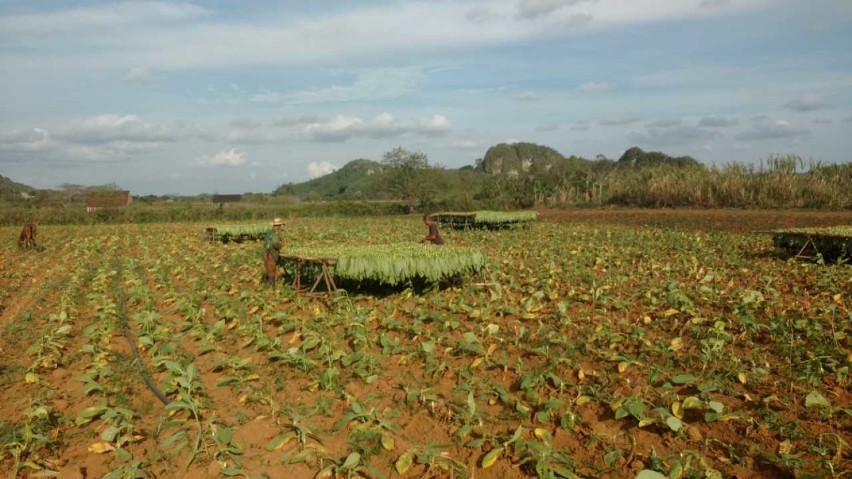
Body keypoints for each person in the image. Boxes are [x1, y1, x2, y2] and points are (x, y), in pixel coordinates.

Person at [262, 218, 283, 287]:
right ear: (278, 226)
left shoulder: (269, 231)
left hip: (265, 252)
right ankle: (271, 287)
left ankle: (266, 285)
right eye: (279, 225)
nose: (280, 227)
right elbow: (275, 243)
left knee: (268, 268)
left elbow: (265, 243)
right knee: (272, 268)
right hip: (271, 253)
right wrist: (280, 246)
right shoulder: (275, 233)